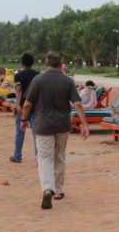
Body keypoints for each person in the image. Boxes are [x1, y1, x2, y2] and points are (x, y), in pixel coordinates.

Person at [20, 51, 89, 210]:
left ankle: (47, 189)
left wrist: (23, 120)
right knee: (59, 156)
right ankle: (58, 191)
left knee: (44, 157)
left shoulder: (38, 79)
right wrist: (85, 125)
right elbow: (77, 104)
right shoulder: (67, 81)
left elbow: (27, 104)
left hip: (43, 125)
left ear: (46, 62)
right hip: (63, 125)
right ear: (61, 63)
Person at [10, 53, 40, 163]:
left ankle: (17, 156)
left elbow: (19, 90)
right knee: (36, 134)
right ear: (32, 63)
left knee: (20, 132)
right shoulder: (38, 75)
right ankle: (38, 158)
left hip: (23, 107)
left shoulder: (18, 75)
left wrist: (18, 104)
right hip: (36, 106)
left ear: (22, 62)